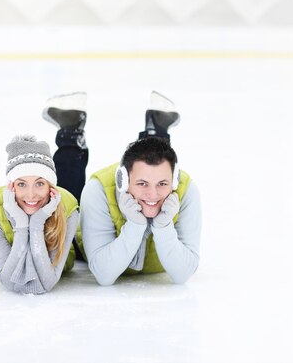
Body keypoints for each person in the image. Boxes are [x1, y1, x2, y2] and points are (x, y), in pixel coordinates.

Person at [42, 91, 202, 286]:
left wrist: (163, 226)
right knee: (68, 196)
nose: (153, 194)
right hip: (84, 242)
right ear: (123, 181)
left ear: (174, 181)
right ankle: (71, 131)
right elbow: (104, 275)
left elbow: (183, 274)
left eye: (163, 184)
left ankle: (157, 126)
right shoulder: (98, 190)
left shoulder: (186, 190)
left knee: (157, 161)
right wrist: (134, 226)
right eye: (142, 184)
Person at [0, 135, 79, 294]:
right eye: (21, 184)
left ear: (50, 186)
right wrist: (22, 225)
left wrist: (37, 224)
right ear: (11, 186)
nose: (31, 195)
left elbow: (47, 283)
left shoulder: (68, 208)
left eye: (40, 183)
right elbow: (9, 282)